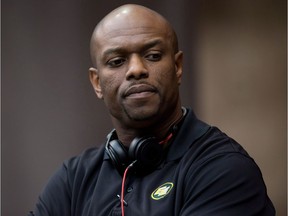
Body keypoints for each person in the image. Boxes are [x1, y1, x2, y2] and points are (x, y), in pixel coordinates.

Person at [30, 4, 275, 216]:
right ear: (97, 83)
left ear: (178, 67)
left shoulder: (223, 169)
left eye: (153, 55)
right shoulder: (73, 180)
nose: (136, 69)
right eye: (117, 61)